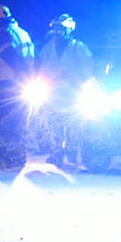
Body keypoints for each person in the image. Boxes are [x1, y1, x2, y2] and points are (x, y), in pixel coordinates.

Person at [39, 13, 94, 165]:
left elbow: (88, 69)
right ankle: (56, 155)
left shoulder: (79, 48)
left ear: (69, 29)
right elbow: (41, 67)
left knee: (73, 126)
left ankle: (72, 153)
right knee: (53, 126)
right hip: (52, 93)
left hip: (73, 94)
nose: (57, 32)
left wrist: (82, 83)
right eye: (56, 28)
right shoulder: (47, 48)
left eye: (61, 28)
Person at [0, 5, 36, 167]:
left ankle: (5, 155)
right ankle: (15, 155)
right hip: (21, 83)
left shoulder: (3, 34)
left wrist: (21, 74)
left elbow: (10, 56)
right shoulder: (22, 33)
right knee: (17, 121)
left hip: (6, 84)